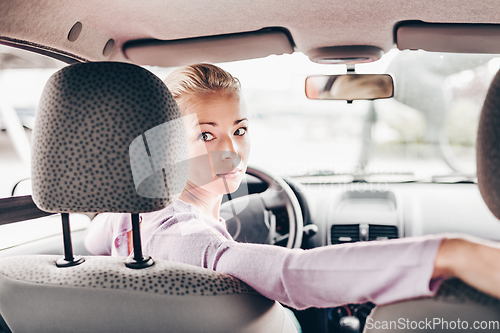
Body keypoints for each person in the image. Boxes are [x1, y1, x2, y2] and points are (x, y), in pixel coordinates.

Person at [84, 63, 500, 312]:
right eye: (207, 135)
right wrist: (451, 253)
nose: (233, 150)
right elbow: (290, 275)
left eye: (240, 129)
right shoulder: (187, 238)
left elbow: (95, 234)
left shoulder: (125, 220)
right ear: (165, 146)